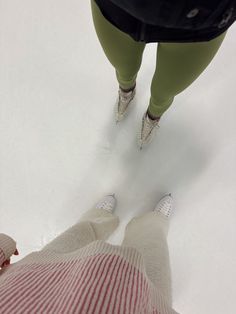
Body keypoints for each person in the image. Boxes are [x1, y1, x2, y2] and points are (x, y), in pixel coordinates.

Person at [91, 0, 236, 148]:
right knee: (123, 69)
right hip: (118, 7)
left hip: (200, 21)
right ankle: (126, 91)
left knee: (164, 92)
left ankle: (153, 117)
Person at [0, 194, 178, 313]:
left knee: (73, 238)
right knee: (152, 255)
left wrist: (3, 247)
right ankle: (153, 223)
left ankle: (98, 218)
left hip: (32, 284)